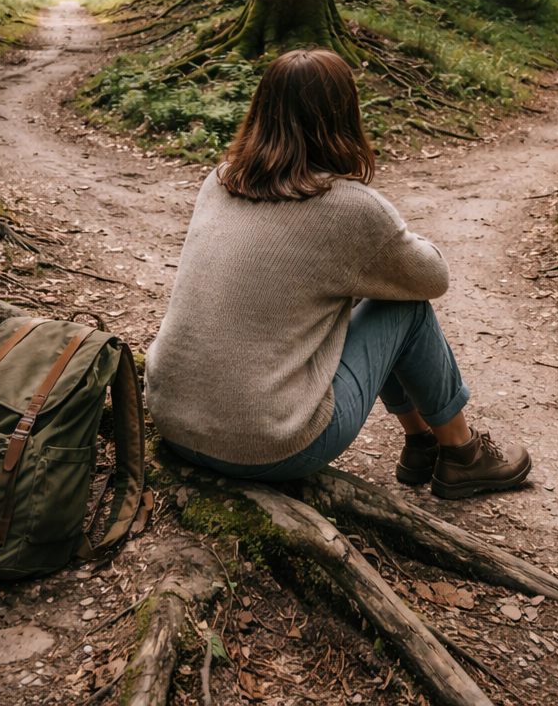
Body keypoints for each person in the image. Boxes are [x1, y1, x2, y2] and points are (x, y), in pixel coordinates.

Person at [145, 48, 531, 498]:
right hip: (270, 446)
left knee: (380, 296)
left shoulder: (221, 180)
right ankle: (463, 455)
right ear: (343, 115)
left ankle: (422, 443)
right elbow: (433, 278)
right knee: (406, 309)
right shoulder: (348, 206)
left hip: (174, 420)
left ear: (261, 110)